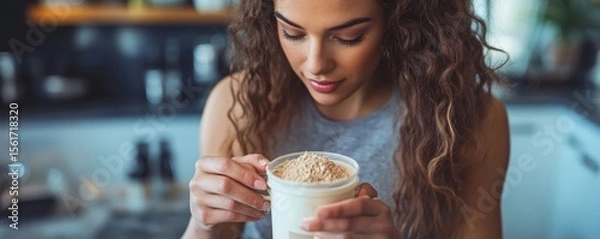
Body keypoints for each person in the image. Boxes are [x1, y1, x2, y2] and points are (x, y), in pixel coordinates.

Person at [182, 0, 510, 238]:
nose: (315, 65)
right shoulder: (238, 104)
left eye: (349, 37)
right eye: (292, 33)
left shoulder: (466, 119)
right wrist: (203, 224)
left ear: (399, 24)